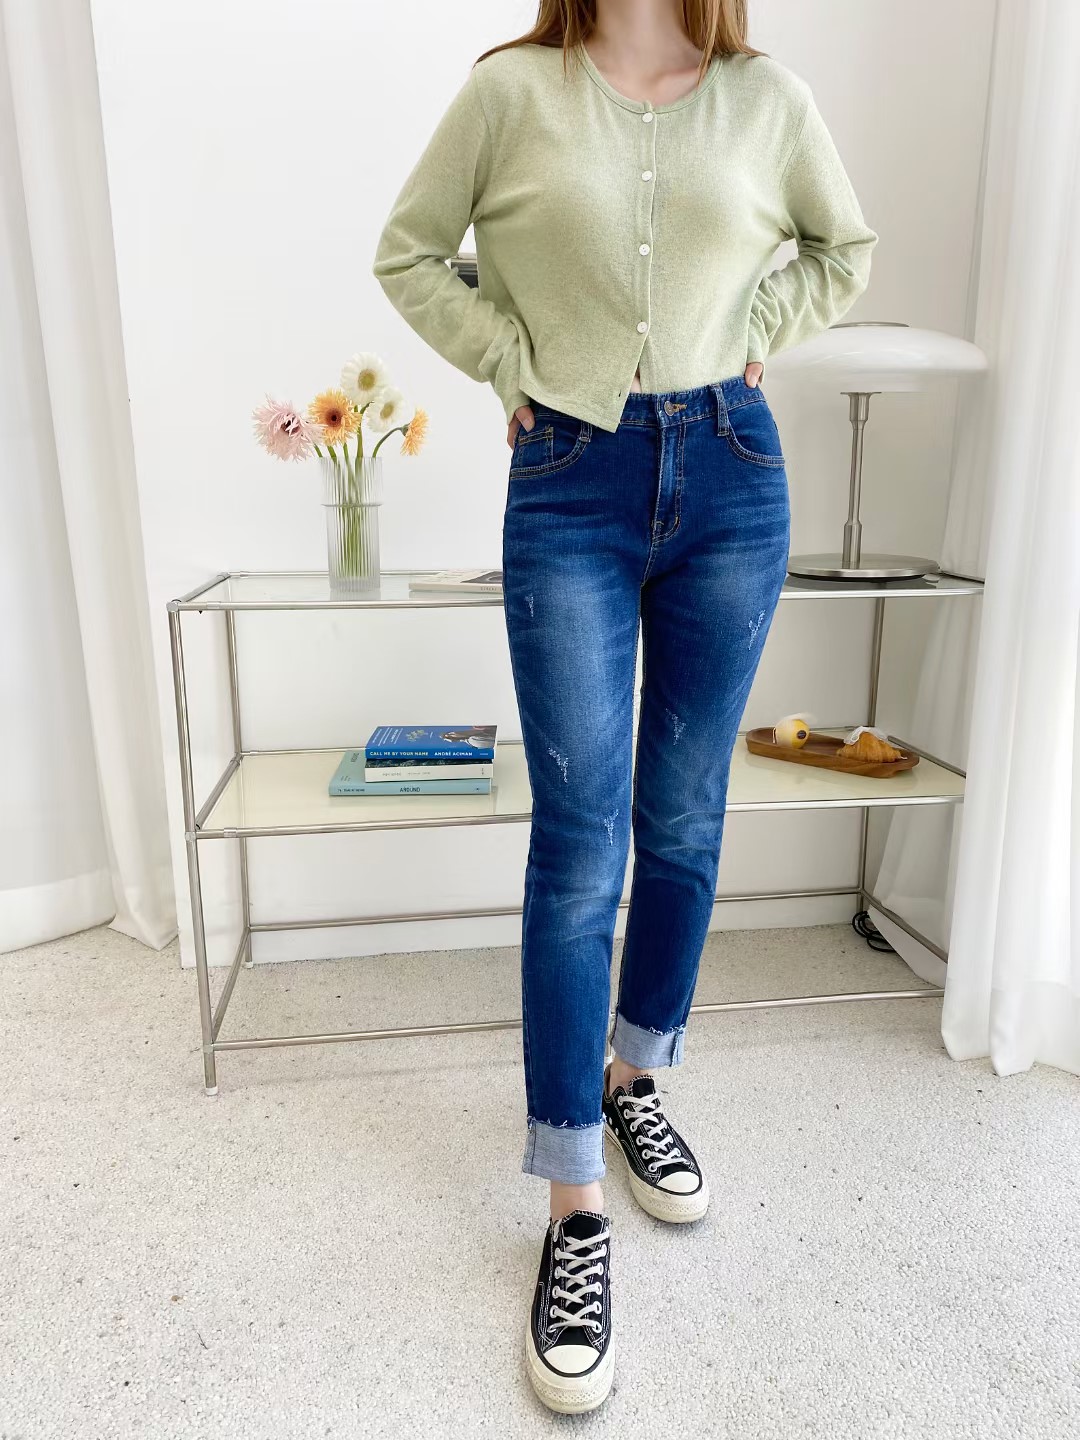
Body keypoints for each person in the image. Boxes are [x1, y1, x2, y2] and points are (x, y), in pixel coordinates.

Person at [372, 0, 877, 1415]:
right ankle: (572, 1201)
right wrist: (511, 362)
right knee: (580, 841)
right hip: (570, 479)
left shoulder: (766, 99)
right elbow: (407, 252)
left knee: (687, 819)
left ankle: (637, 1076)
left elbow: (843, 246)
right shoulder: (510, 94)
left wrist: (762, 324)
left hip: (732, 473)